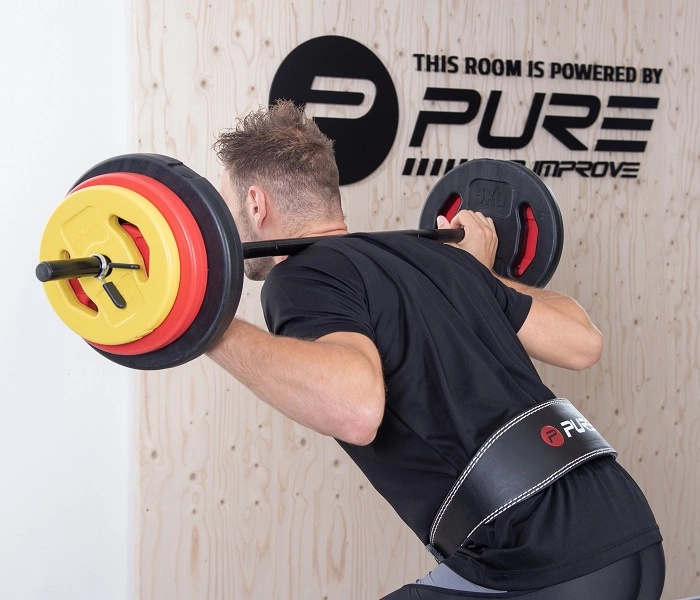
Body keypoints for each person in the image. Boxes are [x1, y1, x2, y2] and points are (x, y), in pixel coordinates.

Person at [206, 100, 665, 599]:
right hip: (630, 531)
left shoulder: (301, 274)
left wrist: (207, 326)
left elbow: (355, 408)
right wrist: (480, 272)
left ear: (256, 204)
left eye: (230, 207)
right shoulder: (437, 257)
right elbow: (583, 341)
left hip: (541, 564)